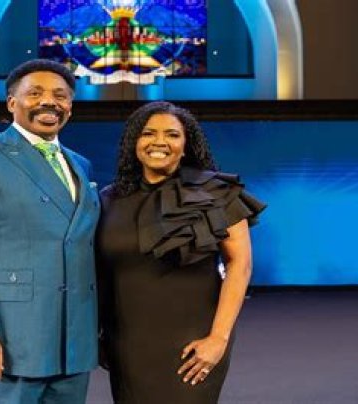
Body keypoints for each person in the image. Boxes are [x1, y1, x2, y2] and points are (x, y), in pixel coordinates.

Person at [0, 59, 100, 403]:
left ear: (70, 106)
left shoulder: (80, 164)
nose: (49, 101)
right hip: (8, 341)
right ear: (12, 102)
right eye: (35, 93)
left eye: (60, 95)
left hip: (71, 347)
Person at [96, 101, 266, 403]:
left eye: (172, 135)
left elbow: (239, 265)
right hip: (127, 343)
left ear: (186, 145)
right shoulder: (108, 199)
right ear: (134, 142)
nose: (159, 142)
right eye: (148, 133)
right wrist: (100, 334)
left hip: (194, 341)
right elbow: (100, 274)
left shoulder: (217, 193)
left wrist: (218, 338)